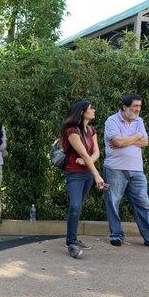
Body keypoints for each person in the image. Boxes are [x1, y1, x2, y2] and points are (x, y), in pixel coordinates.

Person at [103, 93, 149, 250]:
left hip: (137, 170)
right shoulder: (111, 121)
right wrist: (136, 136)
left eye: (140, 106)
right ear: (125, 107)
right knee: (113, 202)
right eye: (135, 106)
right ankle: (116, 235)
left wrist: (128, 139)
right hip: (115, 168)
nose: (138, 109)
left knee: (143, 204)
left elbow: (145, 142)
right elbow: (117, 142)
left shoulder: (139, 121)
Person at [61, 101, 106, 259]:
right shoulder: (72, 130)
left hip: (87, 173)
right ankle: (71, 243)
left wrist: (89, 163)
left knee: (78, 207)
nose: (93, 110)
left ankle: (73, 238)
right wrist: (97, 175)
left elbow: (96, 153)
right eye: (91, 108)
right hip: (75, 174)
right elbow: (85, 154)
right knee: (74, 205)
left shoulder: (91, 130)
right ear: (82, 112)